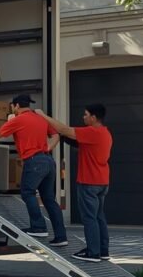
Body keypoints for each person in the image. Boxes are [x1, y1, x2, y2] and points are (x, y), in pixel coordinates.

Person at [0, 94, 67, 247]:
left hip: (33, 162)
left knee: (27, 192)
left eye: (12, 107)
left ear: (16, 106)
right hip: (48, 161)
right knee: (49, 199)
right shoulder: (40, 118)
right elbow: (55, 135)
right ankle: (61, 237)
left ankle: (38, 227)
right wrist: (47, 147)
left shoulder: (17, 120)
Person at [37, 104, 113, 262]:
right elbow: (74, 140)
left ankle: (93, 253)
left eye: (86, 115)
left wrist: (43, 116)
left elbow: (65, 130)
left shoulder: (92, 132)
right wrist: (62, 135)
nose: (83, 117)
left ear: (93, 117)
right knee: (99, 217)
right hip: (102, 182)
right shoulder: (105, 133)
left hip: (89, 182)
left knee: (89, 218)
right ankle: (103, 251)